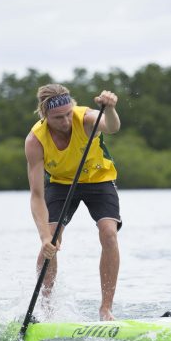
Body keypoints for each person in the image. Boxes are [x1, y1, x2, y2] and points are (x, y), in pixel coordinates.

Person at [25, 84, 122, 321]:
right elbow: (37, 196)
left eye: (69, 113)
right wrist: (45, 238)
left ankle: (106, 309)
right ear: (44, 115)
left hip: (99, 179)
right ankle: (47, 311)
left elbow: (112, 127)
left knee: (109, 233)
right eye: (58, 117)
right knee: (51, 241)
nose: (66, 121)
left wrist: (109, 108)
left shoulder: (86, 117)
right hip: (60, 184)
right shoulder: (35, 141)